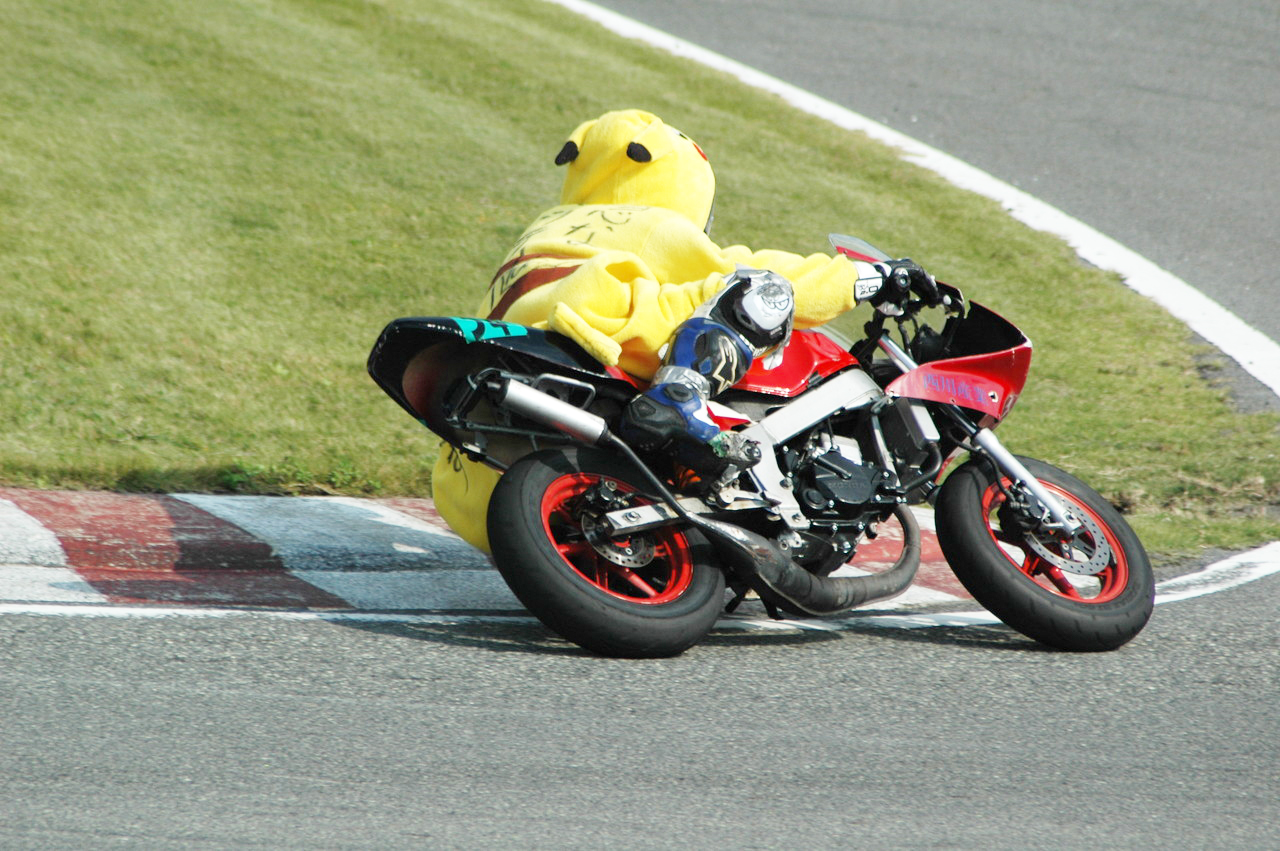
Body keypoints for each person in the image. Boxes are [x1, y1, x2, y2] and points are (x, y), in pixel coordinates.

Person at [421, 109, 938, 553]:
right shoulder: (646, 222)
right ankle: (681, 395)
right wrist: (861, 277)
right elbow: (744, 266)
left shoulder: (542, 228)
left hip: (473, 492)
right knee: (760, 289)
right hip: (594, 330)